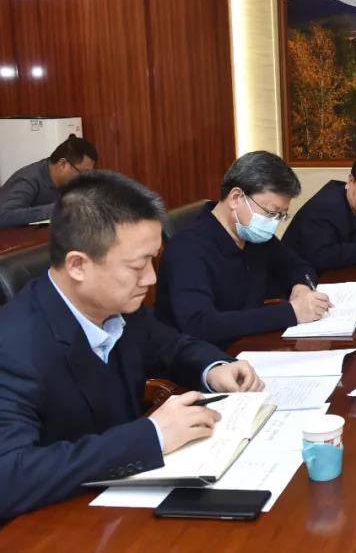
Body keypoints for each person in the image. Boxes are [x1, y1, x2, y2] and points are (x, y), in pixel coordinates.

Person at [0, 170, 263, 520]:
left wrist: (215, 369)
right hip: (56, 524)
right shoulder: (13, 346)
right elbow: (10, 477)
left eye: (153, 260)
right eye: (138, 266)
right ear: (78, 265)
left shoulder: (118, 307)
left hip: (125, 506)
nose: (151, 278)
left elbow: (171, 345)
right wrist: (151, 437)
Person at [155, 151, 331, 347]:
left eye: (281, 216)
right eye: (271, 213)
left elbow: (298, 265)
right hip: (207, 358)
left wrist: (301, 287)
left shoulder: (254, 236)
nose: (273, 223)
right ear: (236, 198)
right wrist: (291, 313)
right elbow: (200, 324)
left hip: (249, 345)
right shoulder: (187, 249)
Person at [0, 134, 98, 227]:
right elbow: (4, 216)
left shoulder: (70, 180)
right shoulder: (28, 179)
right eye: (83, 173)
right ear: (63, 164)